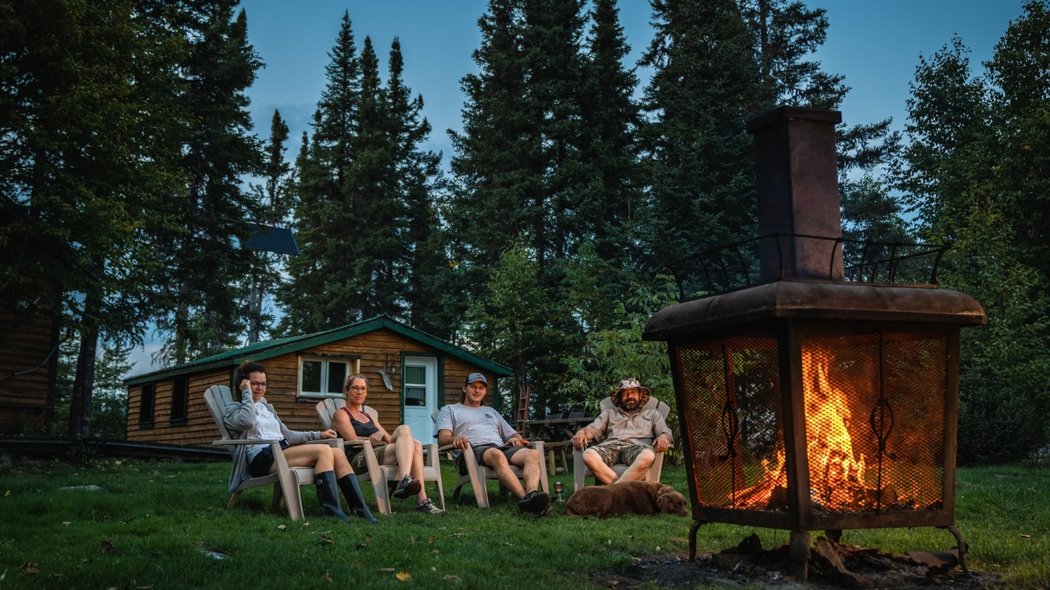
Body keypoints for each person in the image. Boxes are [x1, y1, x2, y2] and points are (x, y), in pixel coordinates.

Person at [223, 361, 378, 523]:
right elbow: (247, 421)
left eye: (264, 384)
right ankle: (332, 510)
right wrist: (246, 394)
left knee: (337, 452)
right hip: (261, 459)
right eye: (255, 384)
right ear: (243, 384)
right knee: (324, 451)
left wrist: (318, 434)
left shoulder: (266, 408)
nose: (260, 388)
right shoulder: (233, 410)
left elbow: (287, 435)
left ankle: (361, 509)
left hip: (280, 451)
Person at [435, 372, 551, 515]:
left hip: (499, 448)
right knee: (496, 454)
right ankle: (526, 500)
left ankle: (532, 494)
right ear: (464, 388)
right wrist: (455, 439)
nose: (477, 390)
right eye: (473, 386)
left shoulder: (491, 411)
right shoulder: (450, 410)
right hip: (471, 450)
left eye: (481, 388)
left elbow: (514, 434)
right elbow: (443, 438)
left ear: (485, 391)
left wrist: (515, 438)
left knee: (532, 454)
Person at [331, 374, 443, 514]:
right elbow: (353, 441)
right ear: (347, 391)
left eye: (363, 389)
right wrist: (373, 439)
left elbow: (389, 439)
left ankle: (413, 489)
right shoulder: (341, 414)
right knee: (412, 442)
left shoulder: (368, 416)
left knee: (412, 439)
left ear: (366, 393)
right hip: (360, 458)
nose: (359, 392)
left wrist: (382, 435)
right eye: (355, 388)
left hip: (380, 453)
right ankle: (420, 499)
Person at [570, 377, 673, 485]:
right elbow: (592, 429)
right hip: (610, 448)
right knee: (588, 455)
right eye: (625, 393)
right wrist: (581, 432)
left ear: (640, 395)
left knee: (648, 456)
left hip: (637, 449)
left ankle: (615, 490)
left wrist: (663, 437)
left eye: (633, 392)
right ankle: (622, 491)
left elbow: (665, 431)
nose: (629, 396)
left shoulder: (652, 414)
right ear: (619, 398)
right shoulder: (609, 413)